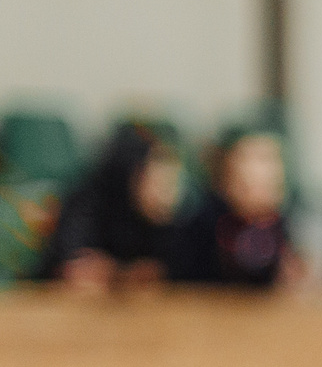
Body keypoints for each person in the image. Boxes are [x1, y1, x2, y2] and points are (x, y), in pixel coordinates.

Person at [37, 121, 184, 290]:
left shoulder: (165, 217)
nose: (165, 188)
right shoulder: (87, 203)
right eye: (155, 179)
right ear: (132, 171)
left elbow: (165, 272)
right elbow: (73, 270)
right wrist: (120, 274)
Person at [170, 127, 300, 288]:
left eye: (273, 159)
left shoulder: (285, 223)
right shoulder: (201, 222)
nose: (270, 171)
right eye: (258, 158)